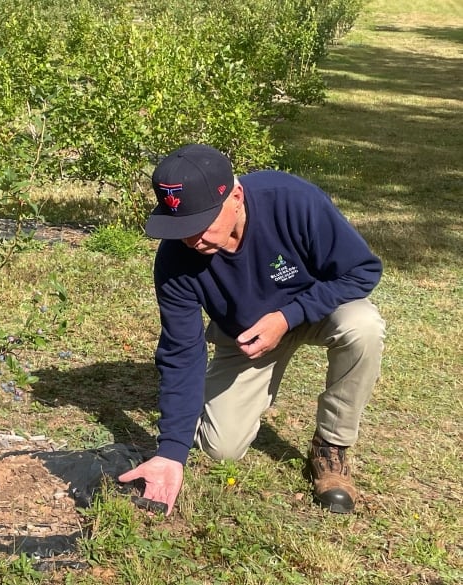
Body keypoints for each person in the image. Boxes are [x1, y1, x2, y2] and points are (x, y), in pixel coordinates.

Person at [119, 144, 385, 514]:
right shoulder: (174, 260)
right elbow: (181, 352)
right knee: (220, 448)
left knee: (363, 325)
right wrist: (171, 452)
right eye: (181, 228)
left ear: (237, 196)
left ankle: (331, 444)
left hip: (315, 311)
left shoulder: (293, 201)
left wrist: (288, 316)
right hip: (245, 337)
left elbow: (363, 270)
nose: (192, 239)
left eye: (201, 224)